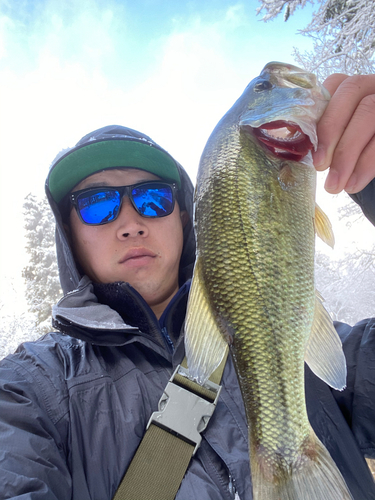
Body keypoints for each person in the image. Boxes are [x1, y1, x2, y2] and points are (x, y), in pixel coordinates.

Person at [1, 73, 375, 500]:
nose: (130, 223)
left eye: (152, 198)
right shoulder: (29, 390)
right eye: (97, 204)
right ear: (69, 234)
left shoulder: (306, 347)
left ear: (184, 216)